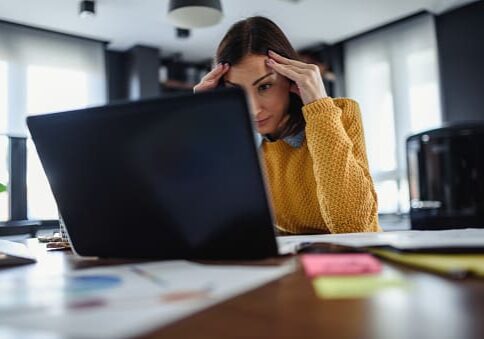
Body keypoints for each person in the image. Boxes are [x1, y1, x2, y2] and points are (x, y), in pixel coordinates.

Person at [194, 16, 381, 234]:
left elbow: (353, 228)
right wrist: (202, 120)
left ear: (290, 79)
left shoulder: (340, 113)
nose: (253, 109)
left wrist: (319, 108)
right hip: (295, 262)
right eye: (237, 92)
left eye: (264, 86)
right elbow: (213, 225)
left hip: (361, 261)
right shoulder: (241, 141)